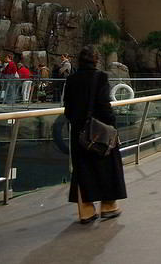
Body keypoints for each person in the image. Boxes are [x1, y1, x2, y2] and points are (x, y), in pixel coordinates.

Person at [64, 45, 126, 224]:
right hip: (101, 131)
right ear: (96, 60)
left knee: (83, 170)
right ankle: (108, 206)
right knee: (108, 167)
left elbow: (68, 108)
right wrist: (112, 127)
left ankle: (86, 211)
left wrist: (77, 123)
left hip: (79, 133)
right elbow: (104, 106)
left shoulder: (72, 79)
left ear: (79, 60)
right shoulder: (101, 77)